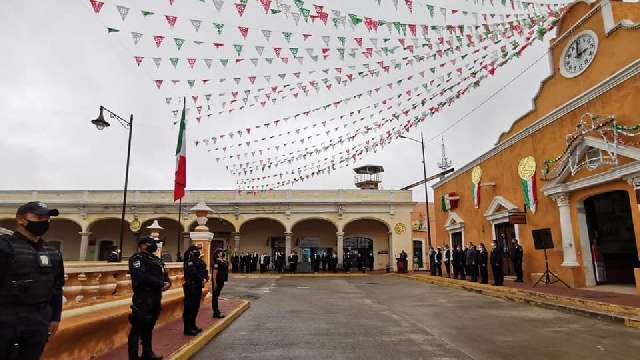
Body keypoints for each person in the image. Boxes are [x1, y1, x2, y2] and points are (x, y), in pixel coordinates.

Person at [0, 202, 64, 360]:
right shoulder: (4, 247)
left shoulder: (53, 252)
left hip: (39, 320)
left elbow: (56, 286)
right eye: (38, 217)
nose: (44, 221)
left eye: (47, 218)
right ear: (21, 219)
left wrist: (56, 317)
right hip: (6, 319)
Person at [128, 236, 171, 360]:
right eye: (149, 243)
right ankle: (133, 356)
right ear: (141, 245)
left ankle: (147, 353)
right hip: (143, 297)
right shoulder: (137, 258)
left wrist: (167, 283)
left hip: (156, 296)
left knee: (149, 327)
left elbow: (164, 274)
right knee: (137, 327)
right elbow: (141, 276)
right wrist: (160, 284)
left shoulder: (156, 260)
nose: (153, 245)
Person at [182, 245, 208, 336]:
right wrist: (201, 279)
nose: (198, 251)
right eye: (196, 250)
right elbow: (193, 272)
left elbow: (205, 270)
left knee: (195, 307)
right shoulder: (189, 261)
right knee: (189, 307)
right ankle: (187, 328)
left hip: (197, 286)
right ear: (192, 251)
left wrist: (205, 278)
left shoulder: (199, 260)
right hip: (191, 286)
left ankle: (193, 325)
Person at [211, 249, 229, 318]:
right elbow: (214, 273)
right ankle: (216, 312)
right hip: (217, 282)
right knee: (215, 297)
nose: (223, 253)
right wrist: (215, 283)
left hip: (221, 281)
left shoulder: (222, 261)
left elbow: (226, 264)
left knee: (216, 295)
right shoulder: (216, 262)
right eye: (222, 252)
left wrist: (223, 259)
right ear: (218, 253)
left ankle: (216, 311)